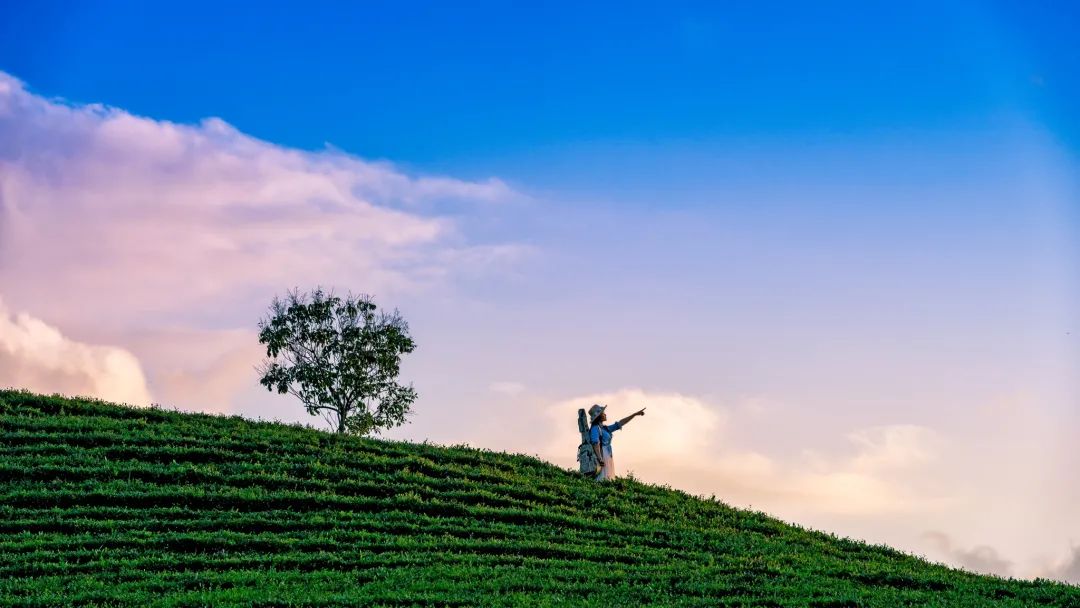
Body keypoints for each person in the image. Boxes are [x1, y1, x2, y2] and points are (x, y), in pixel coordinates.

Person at [588, 403, 645, 480]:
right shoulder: (595, 428)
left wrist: (634, 414)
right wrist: (600, 458)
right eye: (603, 413)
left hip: (607, 455)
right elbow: (596, 443)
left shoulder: (605, 428)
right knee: (602, 477)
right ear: (599, 416)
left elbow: (620, 423)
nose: (605, 414)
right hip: (602, 455)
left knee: (607, 477)